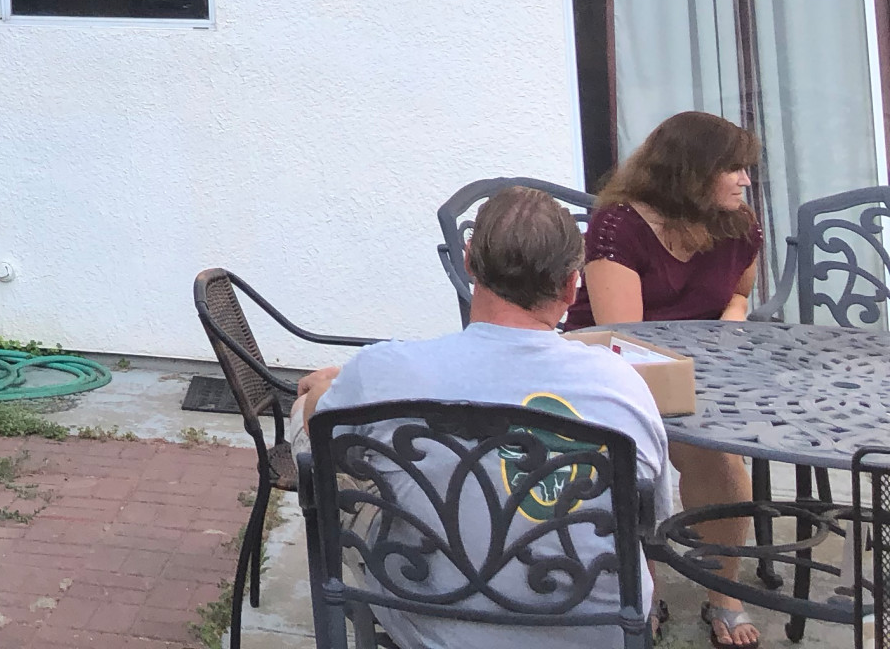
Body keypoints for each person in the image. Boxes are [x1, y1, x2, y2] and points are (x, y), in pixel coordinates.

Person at [296, 186, 670, 649]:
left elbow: (322, 440)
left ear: (468, 261)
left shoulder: (385, 372)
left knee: (332, 459)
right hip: (597, 633)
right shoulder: (623, 386)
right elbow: (651, 520)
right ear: (573, 285)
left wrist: (318, 395)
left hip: (434, 626)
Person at [567, 111, 766, 647]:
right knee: (637, 466)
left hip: (702, 370)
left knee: (723, 463)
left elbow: (740, 292)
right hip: (612, 370)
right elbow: (625, 337)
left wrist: (731, 325)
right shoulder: (620, 225)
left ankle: (723, 593)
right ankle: (642, 595)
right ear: (692, 171)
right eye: (735, 169)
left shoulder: (737, 223)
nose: (746, 181)